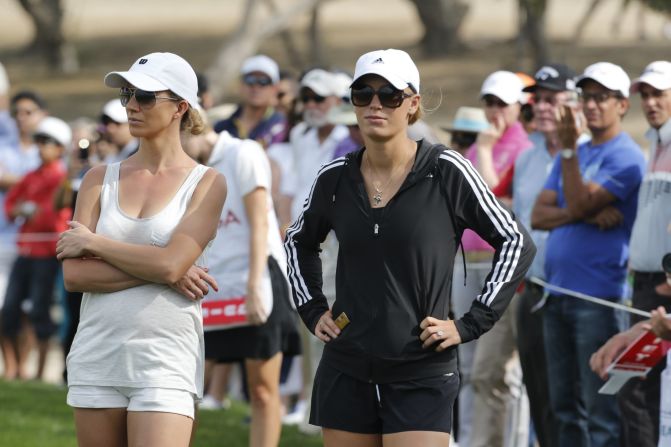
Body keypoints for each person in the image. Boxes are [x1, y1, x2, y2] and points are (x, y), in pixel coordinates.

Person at [284, 48, 535, 447]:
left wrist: (471, 322)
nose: (375, 104)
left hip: (422, 366)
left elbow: (515, 240)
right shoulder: (334, 177)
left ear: (413, 104)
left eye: (390, 95)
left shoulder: (447, 169)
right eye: (363, 93)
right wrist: (312, 308)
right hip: (346, 365)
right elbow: (298, 242)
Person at [56, 52, 227, 447]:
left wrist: (96, 244)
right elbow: (75, 275)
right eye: (129, 94)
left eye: (146, 96)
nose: (131, 105)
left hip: (166, 360)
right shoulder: (99, 178)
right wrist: (166, 269)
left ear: (180, 107)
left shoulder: (207, 182)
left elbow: (169, 265)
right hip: (98, 355)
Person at [530, 61, 646, 447]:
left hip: (598, 297)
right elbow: (539, 215)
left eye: (602, 98)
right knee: (565, 409)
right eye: (587, 97)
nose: (592, 105)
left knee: (601, 414)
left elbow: (576, 201)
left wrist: (568, 162)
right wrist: (583, 213)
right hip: (558, 293)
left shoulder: (625, 156)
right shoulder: (577, 152)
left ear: (622, 105)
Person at [183, 124, 301, 447]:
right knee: (187, 392)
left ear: (191, 125)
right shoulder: (185, 167)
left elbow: (260, 221)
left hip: (256, 277)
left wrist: (252, 285)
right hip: (209, 282)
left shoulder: (243, 152)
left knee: (262, 389)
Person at [454, 69, 532, 447]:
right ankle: (470, 437)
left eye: (502, 103)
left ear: (519, 106)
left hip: (500, 262)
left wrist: (485, 150)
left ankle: (512, 440)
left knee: (504, 370)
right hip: (468, 260)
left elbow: (494, 204)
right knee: (469, 364)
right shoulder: (476, 146)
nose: (494, 110)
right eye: (489, 102)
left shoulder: (522, 145)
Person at [510, 63, 581, 447]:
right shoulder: (527, 157)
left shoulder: (586, 153)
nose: (541, 107)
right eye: (539, 99)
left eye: (552, 99)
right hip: (533, 290)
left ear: (573, 104)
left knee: (572, 401)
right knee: (539, 396)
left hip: (575, 292)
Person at [612, 60, 671, 447]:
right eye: (645, 95)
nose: (650, 102)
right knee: (636, 386)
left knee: (636, 386)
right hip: (645, 285)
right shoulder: (655, 143)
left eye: (659, 94)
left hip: (664, 289)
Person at [1, 116, 72, 381]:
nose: (42, 147)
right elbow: (10, 205)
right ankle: (14, 368)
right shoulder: (30, 177)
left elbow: (54, 214)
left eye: (48, 142)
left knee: (40, 313)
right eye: (39, 141)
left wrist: (34, 211)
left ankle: (40, 373)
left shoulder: (64, 178)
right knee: (9, 310)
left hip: (48, 254)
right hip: (26, 251)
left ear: (60, 148)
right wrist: (20, 210)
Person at [213, 55, 287, 148]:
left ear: (275, 88)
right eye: (250, 80)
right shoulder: (222, 128)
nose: (256, 87)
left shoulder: (284, 127)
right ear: (241, 85)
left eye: (263, 81)